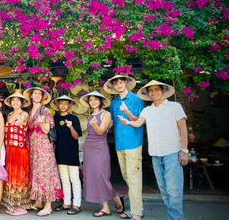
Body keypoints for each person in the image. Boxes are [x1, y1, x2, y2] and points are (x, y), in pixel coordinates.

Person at [118, 80, 188, 220]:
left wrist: (184, 150)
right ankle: (176, 217)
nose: (154, 92)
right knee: (164, 191)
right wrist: (127, 119)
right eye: (151, 90)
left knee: (174, 191)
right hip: (156, 155)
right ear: (148, 94)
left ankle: (175, 218)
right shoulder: (147, 110)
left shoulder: (175, 106)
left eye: (157, 89)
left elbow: (183, 129)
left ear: (163, 91)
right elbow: (138, 123)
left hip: (172, 154)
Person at [104, 75, 144, 220]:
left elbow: (139, 120)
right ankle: (136, 207)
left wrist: (127, 112)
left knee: (133, 177)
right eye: (116, 83)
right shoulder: (114, 103)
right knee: (127, 176)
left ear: (126, 83)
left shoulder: (137, 100)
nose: (119, 85)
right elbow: (112, 123)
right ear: (113, 87)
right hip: (119, 143)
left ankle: (137, 213)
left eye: (121, 82)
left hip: (133, 142)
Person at [79, 90, 124, 217]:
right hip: (89, 148)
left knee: (101, 176)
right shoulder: (90, 116)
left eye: (95, 99)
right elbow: (90, 132)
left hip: (100, 148)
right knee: (92, 176)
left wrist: (94, 124)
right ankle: (105, 206)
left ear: (100, 101)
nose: (93, 102)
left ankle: (114, 198)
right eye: (91, 100)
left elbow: (101, 132)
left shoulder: (106, 114)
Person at [23, 87, 63, 217]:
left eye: (39, 94)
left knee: (46, 173)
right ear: (31, 96)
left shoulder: (45, 110)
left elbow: (47, 130)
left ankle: (48, 205)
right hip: (33, 147)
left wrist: (41, 123)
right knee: (36, 173)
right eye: (35, 93)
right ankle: (39, 201)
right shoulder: (29, 112)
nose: (37, 96)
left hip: (44, 147)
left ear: (42, 97)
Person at [51, 95, 82, 215]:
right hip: (59, 152)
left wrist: (71, 127)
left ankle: (77, 204)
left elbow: (76, 136)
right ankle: (66, 202)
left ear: (69, 105)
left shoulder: (74, 119)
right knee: (64, 179)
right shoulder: (54, 118)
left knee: (74, 179)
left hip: (71, 152)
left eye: (66, 103)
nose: (63, 105)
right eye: (61, 103)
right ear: (58, 105)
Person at [1, 92, 31, 216]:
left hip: (19, 150)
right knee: (10, 175)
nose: (15, 103)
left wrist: (19, 122)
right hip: (10, 149)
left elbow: (22, 121)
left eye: (18, 101)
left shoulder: (23, 114)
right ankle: (11, 204)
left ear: (22, 102)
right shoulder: (9, 115)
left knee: (19, 176)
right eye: (13, 100)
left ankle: (20, 206)